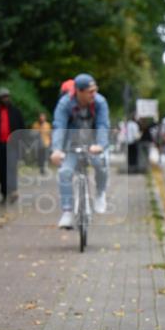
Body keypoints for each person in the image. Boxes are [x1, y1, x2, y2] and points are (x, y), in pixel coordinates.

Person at [51, 74, 112, 228]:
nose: (94, 94)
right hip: (72, 144)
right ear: (79, 91)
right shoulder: (65, 104)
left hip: (93, 143)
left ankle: (100, 193)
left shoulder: (100, 102)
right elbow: (59, 126)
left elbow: (103, 125)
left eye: (95, 90)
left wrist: (100, 145)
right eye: (90, 91)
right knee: (64, 172)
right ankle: (67, 212)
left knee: (101, 165)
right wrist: (56, 150)